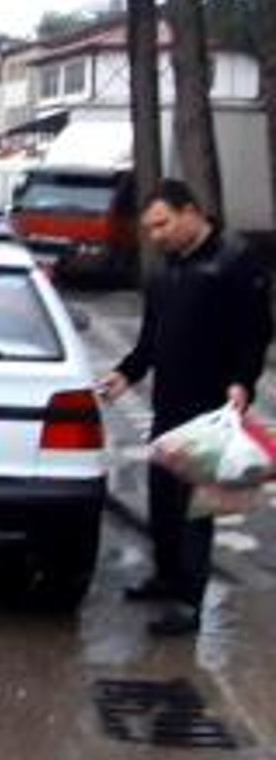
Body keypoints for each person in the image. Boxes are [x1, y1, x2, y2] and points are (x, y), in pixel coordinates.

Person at [98, 180, 274, 636]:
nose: (156, 236)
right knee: (163, 500)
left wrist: (243, 383)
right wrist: (126, 373)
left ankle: (188, 603)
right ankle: (165, 576)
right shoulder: (168, 269)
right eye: (151, 229)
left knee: (196, 509)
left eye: (163, 225)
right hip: (169, 403)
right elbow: (152, 338)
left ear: (191, 212)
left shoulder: (234, 262)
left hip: (212, 405)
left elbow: (254, 333)